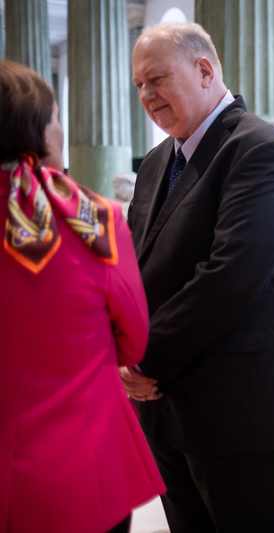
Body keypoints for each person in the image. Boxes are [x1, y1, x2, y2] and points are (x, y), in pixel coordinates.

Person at [122, 23, 274, 532]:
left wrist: (143, 354)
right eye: (138, 85)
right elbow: (139, 265)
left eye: (156, 79)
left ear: (205, 70)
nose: (146, 96)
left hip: (231, 408)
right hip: (161, 406)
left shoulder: (257, 148)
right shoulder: (158, 161)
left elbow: (229, 277)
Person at [0, 59, 165, 533]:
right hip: (83, 470)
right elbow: (134, 342)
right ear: (40, 130)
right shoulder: (92, 218)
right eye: (55, 116)